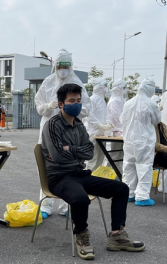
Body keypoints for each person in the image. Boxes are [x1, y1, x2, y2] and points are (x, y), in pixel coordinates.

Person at [41, 83, 145, 260]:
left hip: (80, 174)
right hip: (59, 178)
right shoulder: (52, 125)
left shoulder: (80, 126)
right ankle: (81, 235)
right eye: (71, 100)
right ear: (61, 104)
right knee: (80, 199)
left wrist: (70, 149)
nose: (76, 104)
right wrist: (75, 151)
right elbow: (57, 156)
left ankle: (116, 236)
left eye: (78, 100)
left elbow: (89, 152)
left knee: (121, 188)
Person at [34, 48, 98, 218]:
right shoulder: (47, 82)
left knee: (71, 168)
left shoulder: (77, 84)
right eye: (59, 65)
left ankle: (67, 206)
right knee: (47, 168)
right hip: (49, 132)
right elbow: (39, 105)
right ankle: (46, 204)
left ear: (71, 66)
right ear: (55, 66)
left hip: (70, 132)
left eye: (65, 66)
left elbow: (86, 109)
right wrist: (48, 106)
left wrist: (71, 107)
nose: (62, 69)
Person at [120, 77, 161, 206]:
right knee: (144, 167)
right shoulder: (151, 103)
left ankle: (128, 193)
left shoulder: (128, 103)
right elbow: (157, 120)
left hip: (129, 141)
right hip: (144, 141)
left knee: (129, 166)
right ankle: (142, 196)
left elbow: (122, 120)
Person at [84, 78, 112, 171]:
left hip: (101, 134)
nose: (106, 88)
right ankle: (88, 181)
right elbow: (89, 115)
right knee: (92, 160)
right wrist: (99, 125)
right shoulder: (92, 99)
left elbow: (105, 114)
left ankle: (96, 181)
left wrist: (108, 123)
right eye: (104, 86)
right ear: (99, 87)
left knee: (100, 160)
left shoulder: (102, 100)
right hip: (93, 133)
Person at [103, 79, 127, 174]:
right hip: (117, 131)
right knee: (114, 155)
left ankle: (118, 176)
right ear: (118, 88)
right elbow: (116, 117)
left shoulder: (122, 100)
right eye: (123, 88)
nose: (125, 90)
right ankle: (107, 175)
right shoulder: (114, 101)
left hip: (123, 130)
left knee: (120, 156)